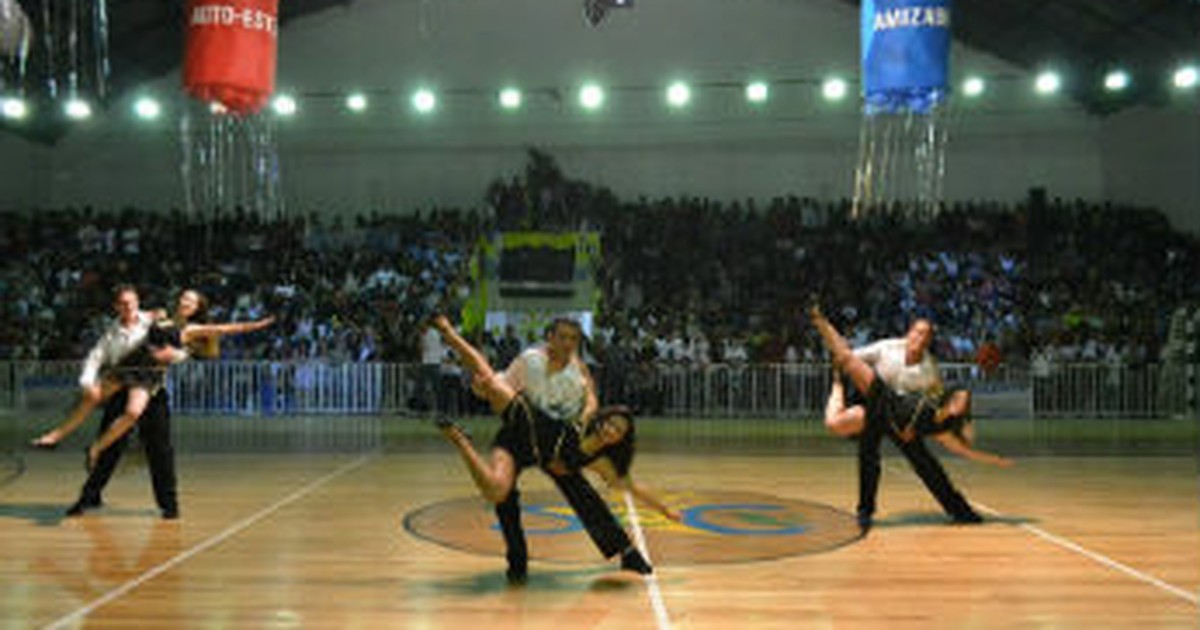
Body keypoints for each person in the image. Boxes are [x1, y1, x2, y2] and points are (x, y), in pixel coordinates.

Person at [431, 314, 677, 584]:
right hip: (519, 432)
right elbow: (496, 386)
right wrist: (480, 388)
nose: (568, 343)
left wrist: (583, 421)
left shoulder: (579, 371)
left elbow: (592, 401)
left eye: (573, 338)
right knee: (501, 493)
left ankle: (626, 551)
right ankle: (517, 557)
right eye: (563, 337)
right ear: (550, 337)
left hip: (558, 441)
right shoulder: (529, 360)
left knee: (583, 494)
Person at [809, 303, 1012, 535]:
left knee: (927, 466)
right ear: (908, 333)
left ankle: (959, 510)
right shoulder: (887, 348)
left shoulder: (930, 371)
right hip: (875, 401)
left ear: (929, 341)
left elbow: (937, 406)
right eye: (917, 332)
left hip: (903, 419)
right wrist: (824, 328)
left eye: (926, 334)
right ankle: (865, 512)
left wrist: (970, 435)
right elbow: (847, 357)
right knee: (867, 458)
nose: (920, 337)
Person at [32, 289, 274, 471]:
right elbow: (131, 315)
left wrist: (255, 325)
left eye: (190, 301)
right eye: (183, 298)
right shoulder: (159, 314)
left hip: (149, 375)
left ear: (197, 307)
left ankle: (95, 448)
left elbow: (226, 329)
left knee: (133, 413)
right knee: (91, 398)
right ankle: (55, 436)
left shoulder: (192, 330)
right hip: (131, 363)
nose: (184, 302)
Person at [59, 285, 180, 519]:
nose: (129, 307)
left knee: (160, 450)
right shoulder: (111, 332)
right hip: (120, 391)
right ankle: (88, 498)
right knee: (109, 448)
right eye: (123, 303)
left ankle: (169, 504)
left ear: (138, 302)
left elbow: (177, 347)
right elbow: (95, 358)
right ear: (116, 307)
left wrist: (174, 355)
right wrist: (87, 381)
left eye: (132, 302)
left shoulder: (155, 323)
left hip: (152, 392)